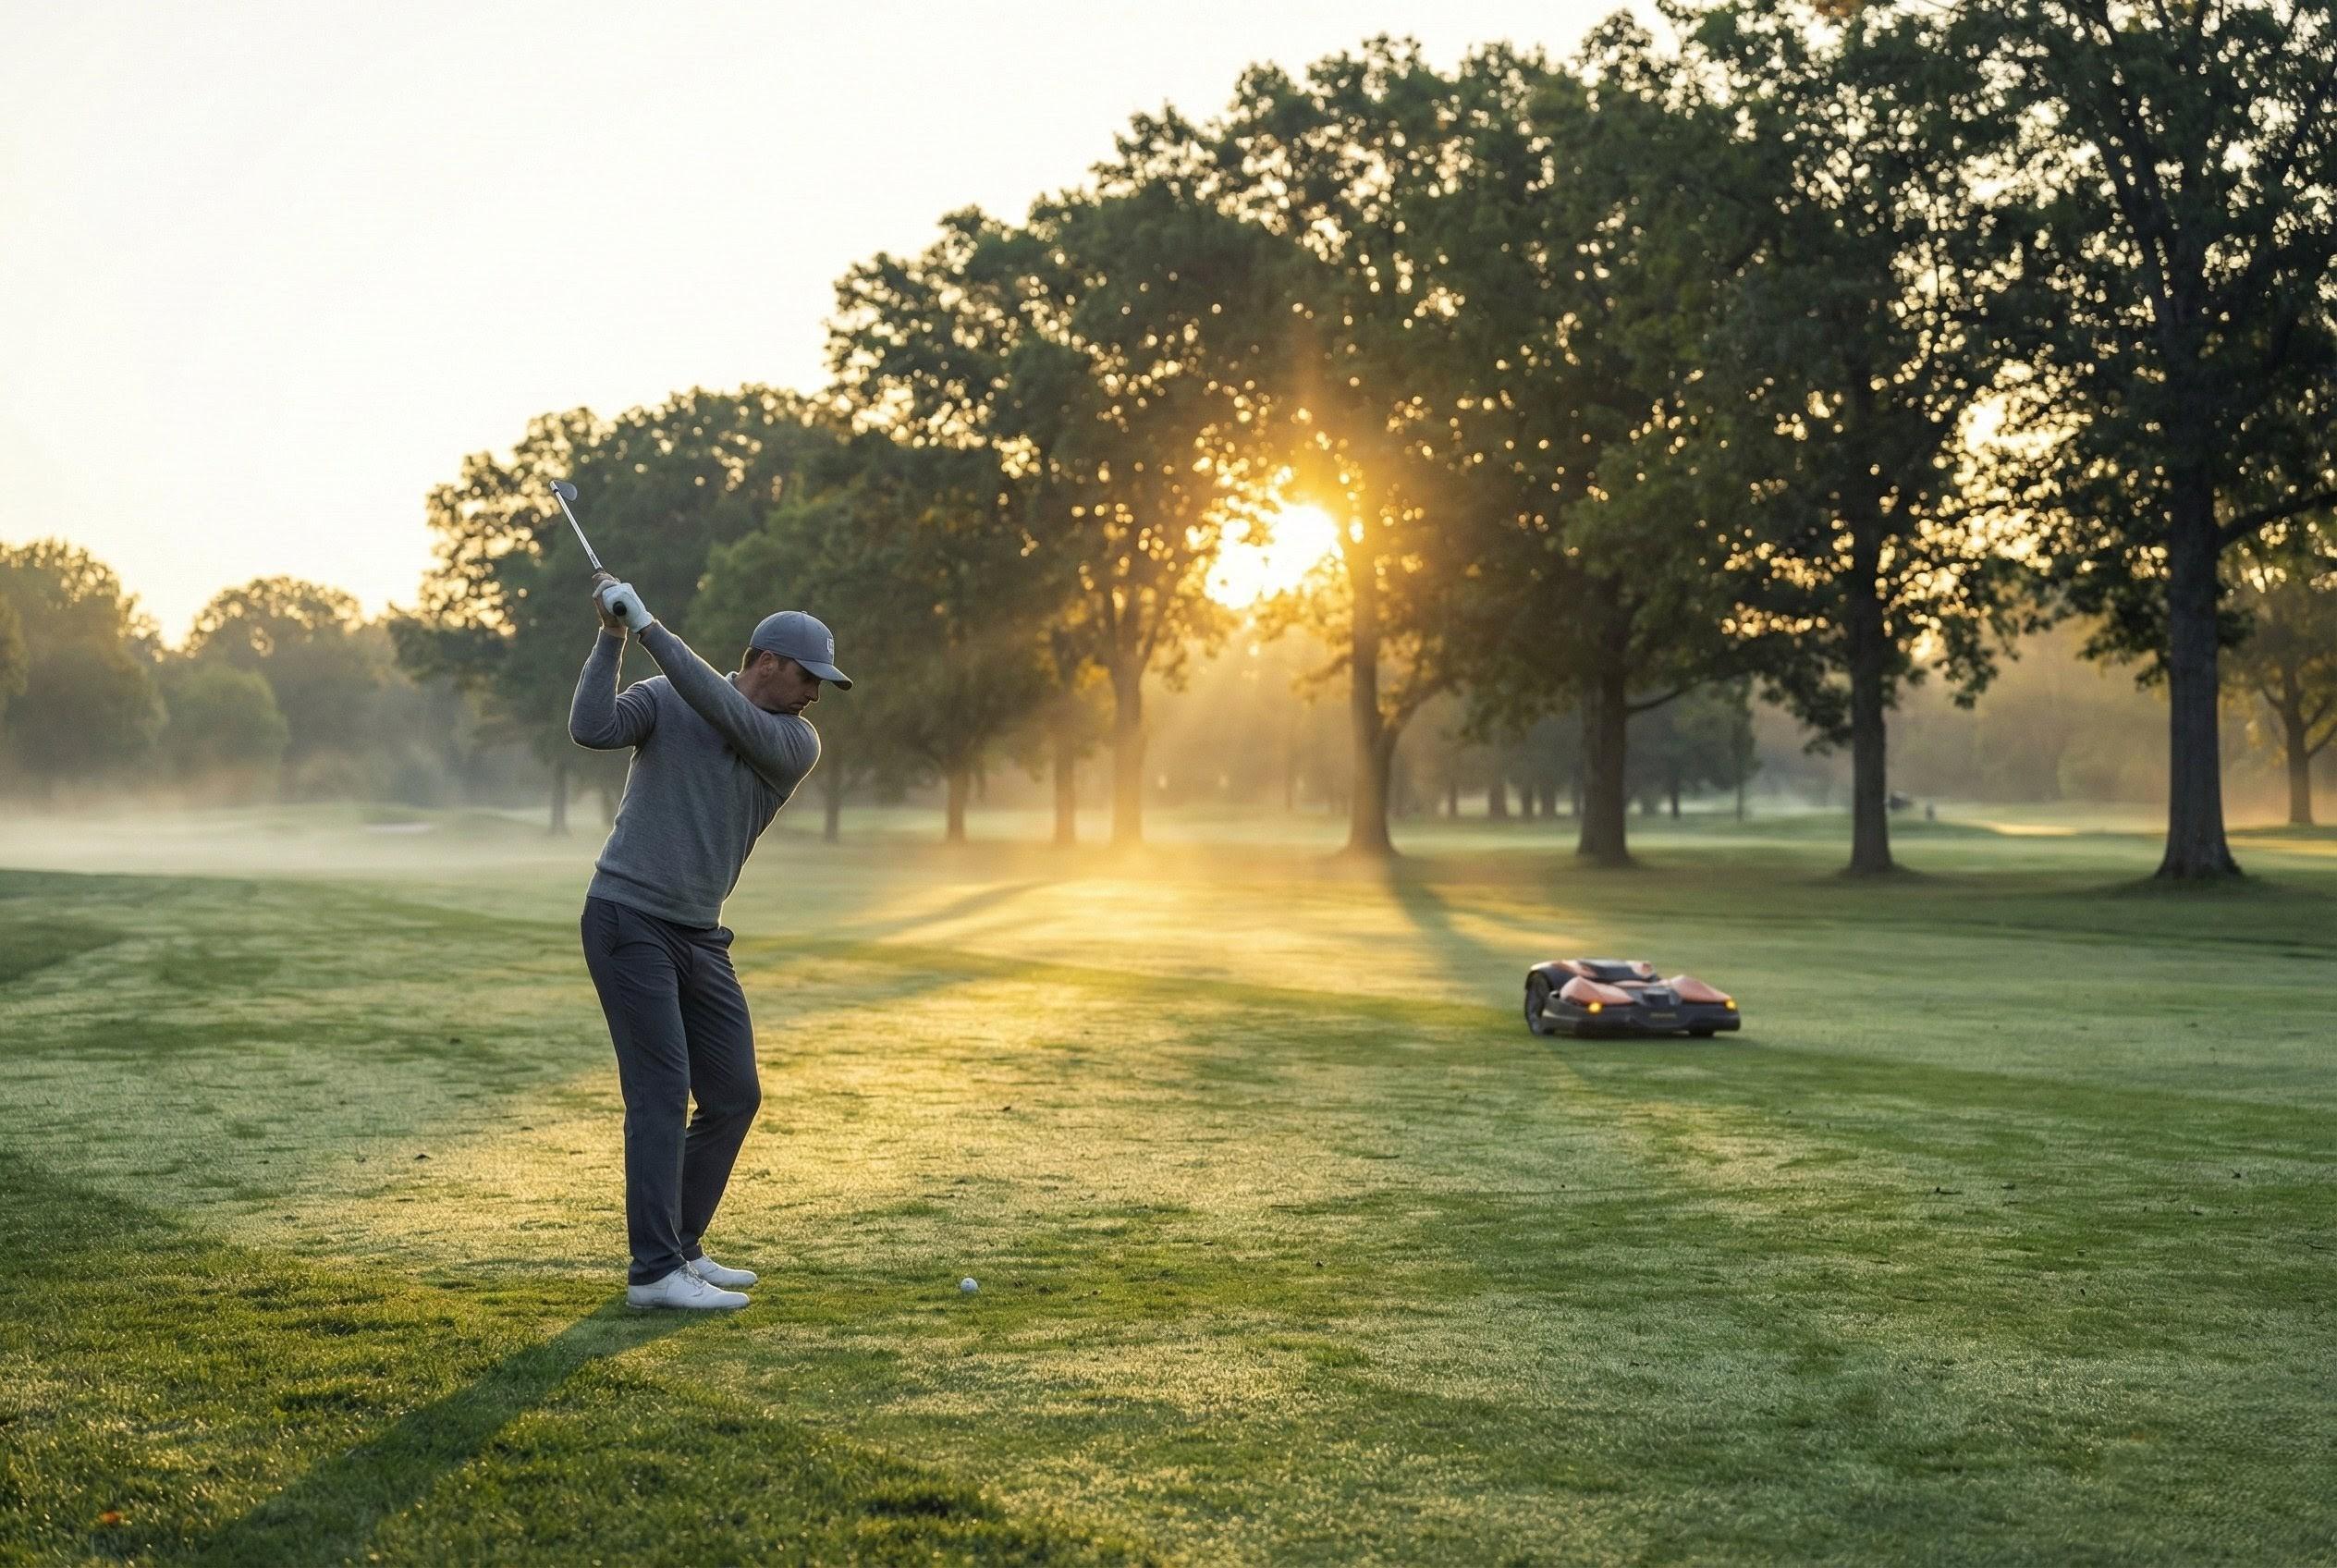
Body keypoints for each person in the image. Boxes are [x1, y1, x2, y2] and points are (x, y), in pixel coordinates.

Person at [568, 570, 850, 1310]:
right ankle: (655, 1272)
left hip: (698, 933)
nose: (816, 692)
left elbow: (723, 708)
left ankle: (682, 1249)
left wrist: (653, 626)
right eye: (809, 676)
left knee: (732, 1093)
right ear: (768, 660)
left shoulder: (794, 741)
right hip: (628, 916)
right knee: (661, 1091)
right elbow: (591, 729)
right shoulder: (664, 699)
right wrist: (611, 637)